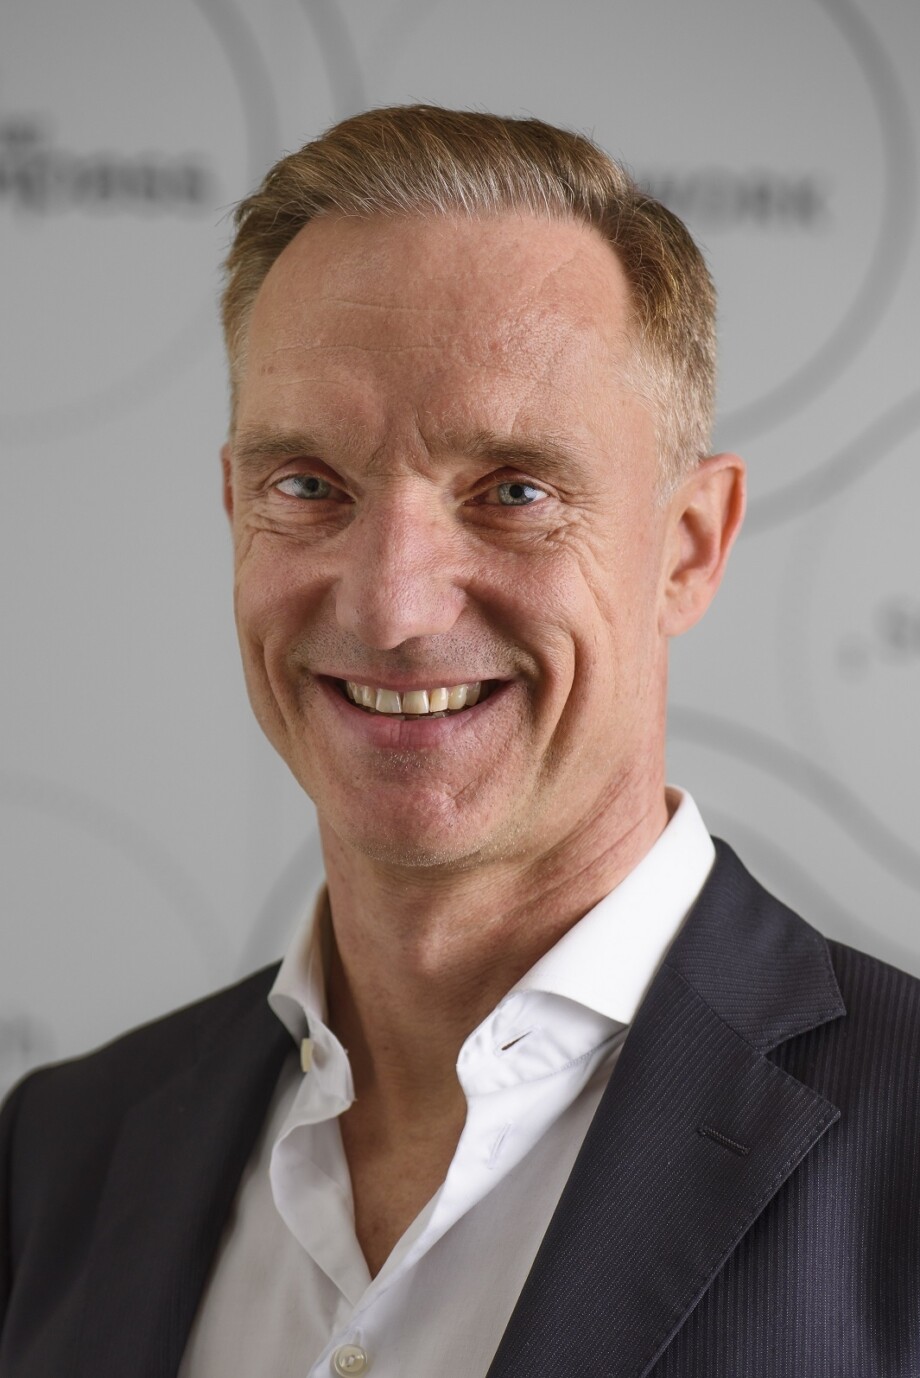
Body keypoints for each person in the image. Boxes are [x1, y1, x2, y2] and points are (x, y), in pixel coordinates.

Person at [1, 105, 919, 1378]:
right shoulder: (61, 1153)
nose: (391, 604)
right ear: (233, 508)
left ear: (687, 546)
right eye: (307, 485)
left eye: (514, 493)